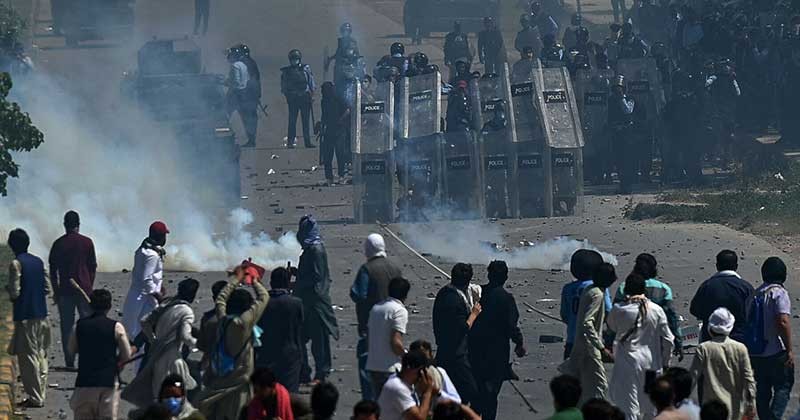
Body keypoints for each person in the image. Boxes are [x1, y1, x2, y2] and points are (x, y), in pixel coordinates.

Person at [197, 266, 270, 420]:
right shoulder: (243, 324)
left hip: (219, 380)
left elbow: (221, 299)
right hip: (238, 385)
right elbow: (264, 297)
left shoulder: (223, 320)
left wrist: (236, 279)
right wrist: (255, 281)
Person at [122, 279, 200, 408]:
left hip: (157, 357)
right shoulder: (186, 311)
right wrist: (200, 344)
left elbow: (144, 321)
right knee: (178, 398)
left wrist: (153, 340)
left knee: (159, 395)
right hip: (174, 359)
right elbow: (186, 337)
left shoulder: (166, 305)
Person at [608, 273, 675, 419]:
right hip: (651, 365)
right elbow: (669, 339)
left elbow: (611, 327)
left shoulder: (619, 309)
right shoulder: (656, 310)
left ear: (626, 290)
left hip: (627, 365)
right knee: (651, 406)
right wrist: (666, 362)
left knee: (629, 406)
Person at [468, 260, 526, 420]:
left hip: (475, 350)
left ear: (489, 275)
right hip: (497, 354)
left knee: (478, 393)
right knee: (491, 395)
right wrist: (519, 343)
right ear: (505, 277)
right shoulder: (506, 299)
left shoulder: (479, 294)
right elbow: (511, 326)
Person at [350, 233, 403, 400]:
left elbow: (358, 294)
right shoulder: (395, 268)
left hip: (371, 328)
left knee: (368, 369)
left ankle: (371, 405)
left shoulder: (367, 269)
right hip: (393, 328)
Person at [559, 262, 617, 405]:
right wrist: (602, 347)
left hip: (576, 344)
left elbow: (565, 315)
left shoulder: (588, 289)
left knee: (576, 389)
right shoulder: (598, 294)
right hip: (590, 349)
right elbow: (587, 322)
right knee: (599, 387)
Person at [69, 289, 132, 420]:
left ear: (90, 305)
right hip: (107, 383)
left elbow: (71, 350)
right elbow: (126, 355)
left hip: (84, 383)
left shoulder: (79, 325)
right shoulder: (116, 327)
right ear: (109, 306)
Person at [6, 228, 51, 408]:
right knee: (41, 355)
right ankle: (41, 392)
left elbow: (15, 292)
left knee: (28, 358)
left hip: (26, 316)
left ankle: (35, 397)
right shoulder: (39, 262)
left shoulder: (16, 264)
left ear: (12, 246)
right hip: (42, 315)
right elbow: (47, 288)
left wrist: (8, 290)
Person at [48, 210, 97, 370]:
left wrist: (56, 291)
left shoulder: (58, 244)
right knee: (87, 326)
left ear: (65, 225)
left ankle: (70, 361)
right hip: (84, 290)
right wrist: (89, 285)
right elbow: (92, 267)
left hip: (65, 292)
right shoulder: (87, 242)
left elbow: (53, 271)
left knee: (67, 327)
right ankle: (87, 359)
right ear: (78, 224)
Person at [295, 215, 340, 384]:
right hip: (307, 302)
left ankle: (321, 373)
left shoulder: (316, 250)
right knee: (301, 337)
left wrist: (299, 282)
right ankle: (304, 372)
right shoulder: (310, 249)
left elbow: (317, 277)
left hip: (316, 303)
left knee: (319, 341)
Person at [748, 256, 793, 420]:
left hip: (756, 351)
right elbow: (783, 320)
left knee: (763, 390)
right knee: (783, 386)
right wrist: (789, 350)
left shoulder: (755, 294)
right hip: (776, 351)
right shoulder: (779, 293)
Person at [690, 307, 756, 420]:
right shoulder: (740, 348)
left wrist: (681, 400)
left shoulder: (704, 348)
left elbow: (692, 378)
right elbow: (748, 379)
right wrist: (751, 404)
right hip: (735, 409)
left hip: (711, 409)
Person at [613, 253, 683, 359]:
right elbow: (672, 317)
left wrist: (609, 341)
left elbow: (615, 315)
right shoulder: (664, 289)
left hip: (629, 342)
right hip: (655, 341)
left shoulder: (624, 287)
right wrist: (678, 341)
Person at [432, 263, 481, 406]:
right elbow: (463, 328)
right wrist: (474, 314)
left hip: (445, 351)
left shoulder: (445, 292)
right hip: (455, 355)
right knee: (472, 393)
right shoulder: (453, 301)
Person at [255, 267, 304, 393]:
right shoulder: (296, 303)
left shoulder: (262, 303)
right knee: (289, 395)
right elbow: (299, 327)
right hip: (289, 355)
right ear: (288, 283)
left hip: (265, 354)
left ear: (271, 283)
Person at [690, 250, 754, 343]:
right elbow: (754, 314)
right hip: (739, 341)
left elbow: (695, 310)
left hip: (711, 341)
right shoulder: (745, 288)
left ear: (717, 266)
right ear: (736, 266)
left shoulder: (707, 286)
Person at [122, 221, 169, 340]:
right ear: (160, 237)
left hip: (138, 295)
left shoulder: (143, 249)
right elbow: (146, 279)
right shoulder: (152, 255)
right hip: (145, 299)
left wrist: (159, 284)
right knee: (141, 332)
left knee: (135, 329)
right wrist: (157, 295)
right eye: (164, 235)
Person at [560, 249, 609, 359]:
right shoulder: (599, 288)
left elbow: (564, 315)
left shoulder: (568, 289)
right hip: (592, 342)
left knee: (570, 374)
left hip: (572, 341)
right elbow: (608, 311)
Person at [366, 277, 410, 397]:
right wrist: (407, 356)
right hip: (389, 368)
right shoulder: (399, 311)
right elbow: (395, 342)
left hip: (373, 365)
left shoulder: (376, 308)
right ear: (405, 294)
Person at [377, 350, 438, 420]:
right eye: (420, 370)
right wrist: (427, 392)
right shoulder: (398, 387)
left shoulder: (405, 383)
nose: (422, 375)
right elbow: (419, 418)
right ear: (409, 368)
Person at [225, 45, 259, 148]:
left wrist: (225, 83)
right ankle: (251, 139)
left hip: (236, 95)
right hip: (245, 95)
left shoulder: (235, 66)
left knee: (225, 114)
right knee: (247, 119)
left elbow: (236, 82)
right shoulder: (244, 65)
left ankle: (226, 137)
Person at [129, 374, 205, 420]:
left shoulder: (195, 417)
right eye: (167, 395)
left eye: (176, 396)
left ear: (183, 397)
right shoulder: (153, 413)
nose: (171, 400)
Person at [282, 49, 316, 149]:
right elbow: (311, 83)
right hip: (296, 98)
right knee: (293, 121)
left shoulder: (305, 69)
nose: (294, 61)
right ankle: (292, 142)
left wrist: (312, 94)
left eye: (295, 59)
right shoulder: (288, 72)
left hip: (303, 97)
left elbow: (311, 82)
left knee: (303, 121)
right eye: (293, 59)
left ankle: (305, 141)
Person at [607, 75, 636, 194]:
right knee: (618, 160)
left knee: (627, 159)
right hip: (615, 133)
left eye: (620, 89)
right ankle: (622, 184)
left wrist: (621, 98)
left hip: (626, 133)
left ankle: (627, 185)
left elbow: (628, 111)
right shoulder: (611, 100)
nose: (617, 91)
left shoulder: (630, 99)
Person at [198, 280, 227, 384]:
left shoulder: (207, 319)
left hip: (209, 367)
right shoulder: (238, 320)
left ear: (214, 299)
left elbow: (201, 345)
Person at [319, 81, 349, 185]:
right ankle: (329, 178)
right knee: (327, 156)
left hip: (340, 131)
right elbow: (324, 115)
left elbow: (347, 111)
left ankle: (341, 176)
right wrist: (322, 126)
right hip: (328, 131)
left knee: (340, 154)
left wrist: (340, 121)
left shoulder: (338, 99)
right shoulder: (324, 101)